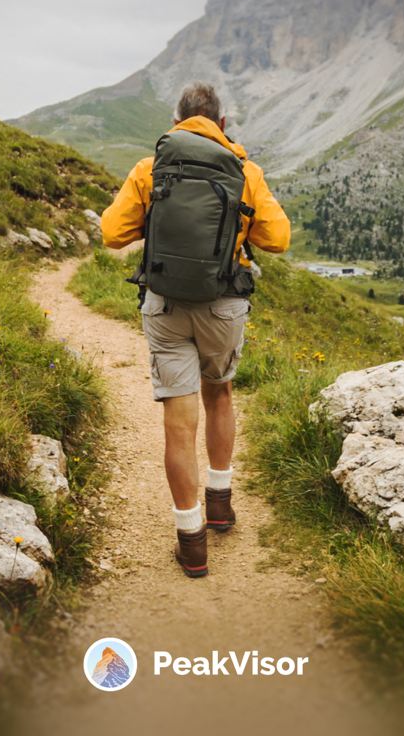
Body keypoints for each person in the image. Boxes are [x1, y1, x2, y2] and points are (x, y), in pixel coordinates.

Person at [101, 82, 290, 577]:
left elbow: (111, 233)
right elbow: (279, 239)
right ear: (222, 124)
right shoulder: (244, 171)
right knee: (220, 394)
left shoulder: (150, 169)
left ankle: (191, 540)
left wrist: (159, 221)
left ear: (176, 120)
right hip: (223, 305)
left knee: (178, 421)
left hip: (166, 306)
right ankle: (221, 504)